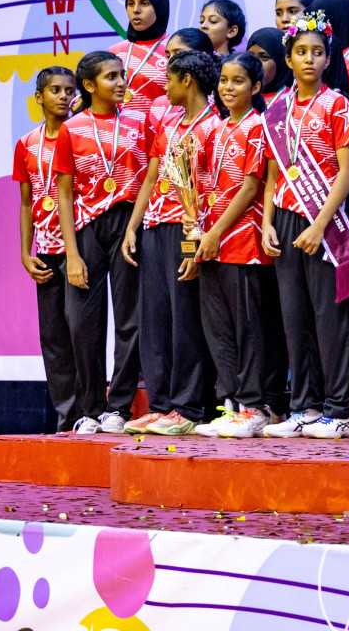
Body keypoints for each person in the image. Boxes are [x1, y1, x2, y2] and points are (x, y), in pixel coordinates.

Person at [259, 11, 349, 439]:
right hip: (284, 217)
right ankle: (303, 406)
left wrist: (320, 225)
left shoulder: (337, 104)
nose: (308, 59)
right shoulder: (277, 109)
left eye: (317, 53)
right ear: (288, 58)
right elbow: (271, 175)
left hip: (326, 218)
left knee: (329, 316)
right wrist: (266, 222)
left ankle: (339, 410)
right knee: (294, 318)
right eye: (300, 52)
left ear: (327, 59)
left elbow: (348, 172)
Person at [122, 47, 222, 436]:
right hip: (153, 226)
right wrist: (133, 226)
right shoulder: (169, 124)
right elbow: (150, 178)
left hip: (186, 230)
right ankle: (160, 403)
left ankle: (187, 407)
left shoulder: (213, 127)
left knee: (185, 318)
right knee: (155, 317)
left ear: (187, 81)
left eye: (169, 78)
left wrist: (195, 242)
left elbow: (212, 189)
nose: (163, 85)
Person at [51, 52, 151, 434]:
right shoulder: (71, 129)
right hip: (86, 227)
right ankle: (91, 408)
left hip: (128, 223)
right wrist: (71, 253)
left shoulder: (140, 122)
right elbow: (63, 193)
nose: (121, 81)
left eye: (122, 74)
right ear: (90, 86)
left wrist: (134, 227)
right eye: (111, 77)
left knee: (130, 319)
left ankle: (119, 408)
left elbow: (150, 177)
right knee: (82, 324)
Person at [192, 53, 272, 437]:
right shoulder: (215, 128)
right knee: (217, 327)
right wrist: (199, 230)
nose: (227, 87)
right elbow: (204, 185)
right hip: (211, 241)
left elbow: (250, 186)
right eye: (224, 80)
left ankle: (255, 407)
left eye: (238, 81)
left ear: (256, 87)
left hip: (243, 241)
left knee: (247, 327)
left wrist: (215, 232)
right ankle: (231, 405)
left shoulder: (258, 127)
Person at [14, 66, 79, 432]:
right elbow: (26, 203)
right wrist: (25, 253)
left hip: (77, 248)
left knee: (80, 332)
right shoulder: (27, 144)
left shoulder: (82, 136)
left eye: (69, 90)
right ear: (39, 97)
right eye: (54, 90)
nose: (63, 96)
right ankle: (66, 416)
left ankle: (88, 411)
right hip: (45, 250)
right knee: (53, 335)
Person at [242, 26, 292, 416]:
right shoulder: (246, 116)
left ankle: (279, 399)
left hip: (283, 222)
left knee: (281, 320)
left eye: (263, 56)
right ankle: (253, 401)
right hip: (253, 233)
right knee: (256, 320)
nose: (255, 64)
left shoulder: (282, 111)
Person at [111, 0, 171, 114]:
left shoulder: (174, 49)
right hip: (120, 131)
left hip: (160, 131)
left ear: (159, 7)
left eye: (144, 3)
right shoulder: (115, 51)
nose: (136, 10)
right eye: (131, 3)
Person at [247, 27, 291, 95]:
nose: (255, 64)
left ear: (281, 62)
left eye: (264, 57)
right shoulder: (236, 96)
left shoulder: (293, 100)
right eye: (250, 57)